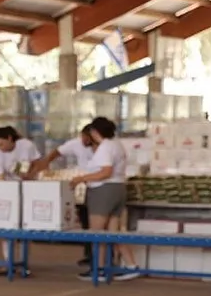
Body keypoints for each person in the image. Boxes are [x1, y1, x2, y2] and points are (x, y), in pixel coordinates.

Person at [70, 117, 141, 281]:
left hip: (103, 190)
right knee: (113, 232)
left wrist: (81, 179)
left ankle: (99, 268)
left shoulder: (105, 148)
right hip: (118, 189)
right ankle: (131, 265)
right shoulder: (117, 144)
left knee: (97, 233)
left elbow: (105, 171)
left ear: (95, 132)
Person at [29, 124, 95, 266]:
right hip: (81, 185)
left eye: (87, 138)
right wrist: (45, 165)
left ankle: (102, 257)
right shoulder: (76, 144)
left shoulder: (102, 147)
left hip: (96, 184)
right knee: (85, 221)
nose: (84, 140)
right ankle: (89, 254)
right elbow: (56, 152)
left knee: (96, 223)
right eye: (82, 136)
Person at [0, 126, 41, 277]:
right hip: (10, 190)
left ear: (10, 139)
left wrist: (31, 175)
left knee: (25, 227)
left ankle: (24, 262)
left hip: (29, 188)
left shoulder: (27, 145)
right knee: (6, 226)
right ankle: (8, 261)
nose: (0, 148)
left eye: (2, 144)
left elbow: (38, 162)